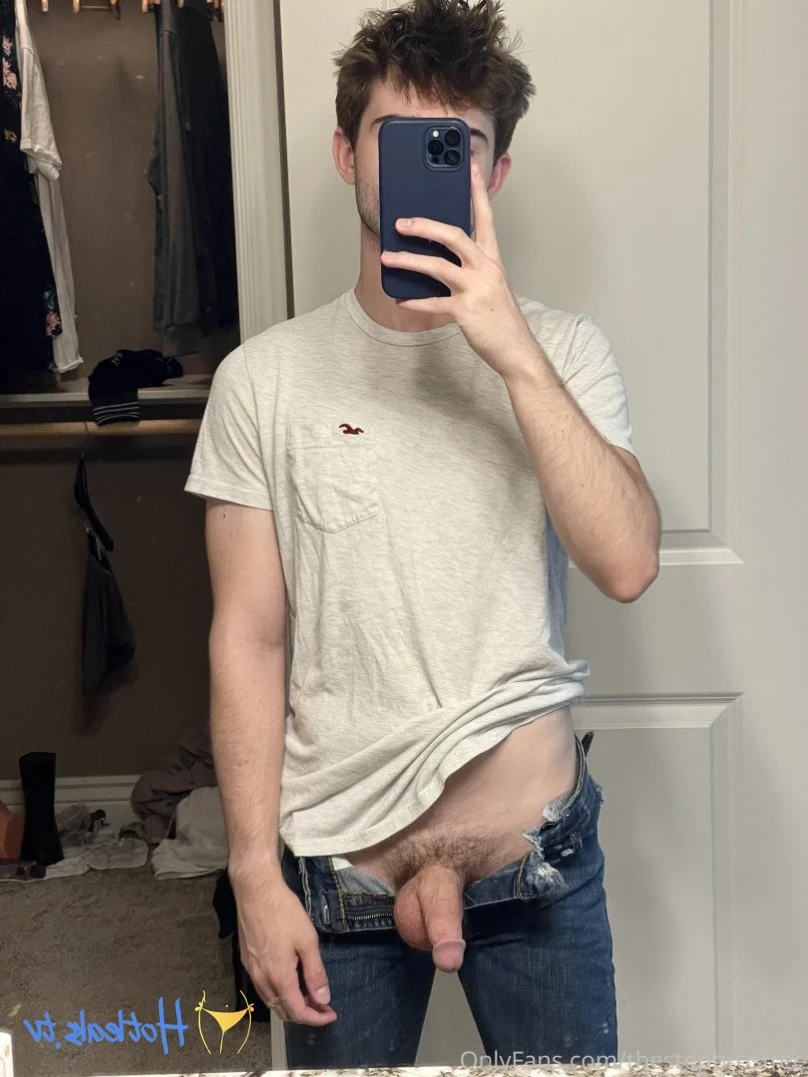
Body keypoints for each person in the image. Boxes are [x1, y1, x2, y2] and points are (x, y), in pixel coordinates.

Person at [185, 0, 661, 1067]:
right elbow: (249, 637)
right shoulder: (262, 381)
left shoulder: (564, 353)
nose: (427, 172)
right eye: (399, 142)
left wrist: (511, 351)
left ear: (494, 173)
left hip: (534, 860)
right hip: (337, 869)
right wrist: (251, 873)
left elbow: (629, 562)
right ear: (346, 153)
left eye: (458, 147)